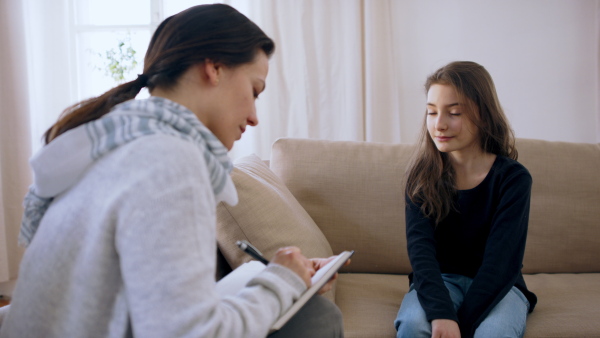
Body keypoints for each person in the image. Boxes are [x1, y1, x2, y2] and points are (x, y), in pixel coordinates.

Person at [0, 4, 343, 338]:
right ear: (215, 67)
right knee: (315, 317)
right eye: (254, 90)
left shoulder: (114, 144)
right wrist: (282, 281)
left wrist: (283, 278)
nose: (254, 116)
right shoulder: (171, 162)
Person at [394, 61, 537, 338]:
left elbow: (501, 262)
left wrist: (460, 322)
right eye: (431, 112)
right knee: (413, 326)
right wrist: (442, 314)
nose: (439, 124)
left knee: (494, 333)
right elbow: (421, 256)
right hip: (439, 283)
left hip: (500, 288)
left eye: (454, 112)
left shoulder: (513, 179)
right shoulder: (421, 177)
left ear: (483, 115)